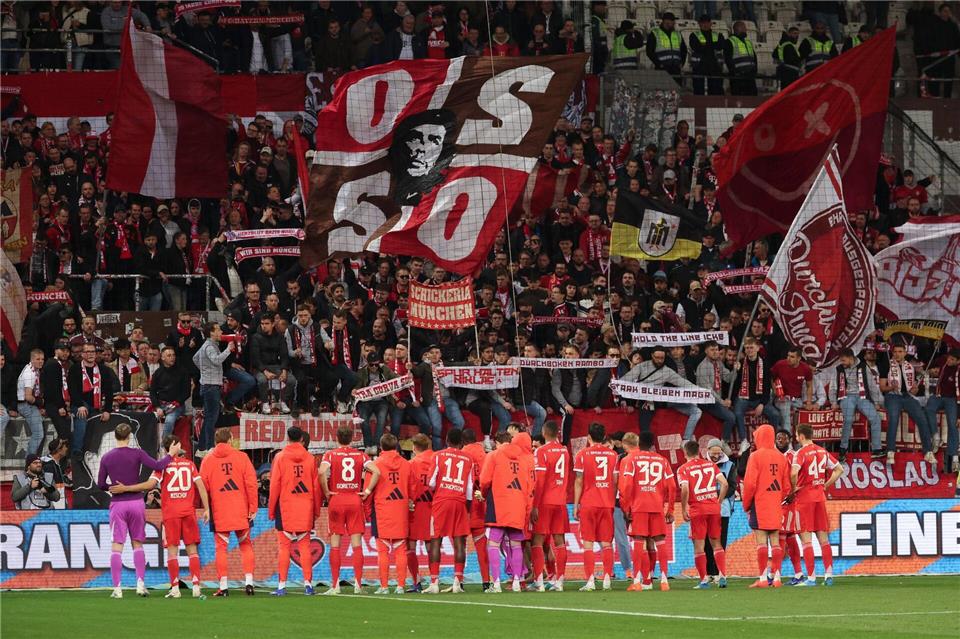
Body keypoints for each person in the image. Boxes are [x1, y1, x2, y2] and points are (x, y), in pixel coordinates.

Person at [111, 434, 208, 598]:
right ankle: (196, 586)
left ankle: (175, 589)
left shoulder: (162, 467)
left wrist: (126, 488)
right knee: (192, 550)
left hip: (171, 514)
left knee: (172, 552)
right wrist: (206, 508)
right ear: (175, 445)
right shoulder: (190, 465)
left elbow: (149, 485)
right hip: (188, 512)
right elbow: (201, 486)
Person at [98, 423, 179, 598]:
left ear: (115, 436)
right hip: (136, 502)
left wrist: (113, 487)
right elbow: (158, 466)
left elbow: (100, 484)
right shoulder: (137, 453)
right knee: (138, 544)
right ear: (129, 436)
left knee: (117, 546)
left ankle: (117, 589)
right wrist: (171, 455)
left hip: (118, 504)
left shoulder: (106, 457)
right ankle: (140, 584)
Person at [320, 425, 380, 595]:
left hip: (337, 499)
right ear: (352, 438)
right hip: (355, 499)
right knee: (356, 544)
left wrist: (326, 492)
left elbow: (321, 472)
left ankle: (335, 586)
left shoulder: (330, 455)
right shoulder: (361, 455)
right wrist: (367, 491)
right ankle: (358, 585)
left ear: (337, 438)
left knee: (335, 545)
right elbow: (377, 471)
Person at [200, 427, 258, 597]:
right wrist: (253, 507)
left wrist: (206, 508)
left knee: (221, 548)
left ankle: (223, 586)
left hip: (220, 511)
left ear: (215, 442)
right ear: (231, 440)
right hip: (241, 510)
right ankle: (249, 583)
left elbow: (203, 487)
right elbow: (251, 484)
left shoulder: (208, 460)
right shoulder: (242, 457)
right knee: (246, 545)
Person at [269, 426, 322, 597]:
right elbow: (316, 486)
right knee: (305, 546)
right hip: (305, 506)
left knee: (284, 547)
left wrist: (271, 510)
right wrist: (316, 509)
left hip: (285, 507)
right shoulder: (310, 458)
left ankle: (282, 586)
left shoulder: (280, 457)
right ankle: (308, 584)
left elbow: (275, 484)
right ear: (301, 440)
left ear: (288, 438)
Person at [479, 428, 534, 594]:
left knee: (493, 543)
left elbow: (484, 480)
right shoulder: (523, 459)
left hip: (499, 503)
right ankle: (518, 581)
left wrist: (483, 494)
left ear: (496, 442)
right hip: (518, 504)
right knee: (517, 545)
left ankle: (496, 584)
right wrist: (527, 508)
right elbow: (529, 485)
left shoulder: (493, 455)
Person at [619, 431, 674, 592]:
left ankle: (637, 581)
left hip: (639, 506)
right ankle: (664, 580)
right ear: (652, 444)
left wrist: (626, 506)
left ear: (639, 443)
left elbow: (626, 486)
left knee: (639, 541)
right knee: (660, 542)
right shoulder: (662, 460)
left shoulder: (631, 459)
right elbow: (671, 486)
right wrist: (670, 508)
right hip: (657, 505)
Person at [790, 424, 844, 587]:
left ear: (800, 436)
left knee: (806, 540)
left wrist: (793, 489)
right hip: (820, 497)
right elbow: (840, 469)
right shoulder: (822, 451)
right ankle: (828, 576)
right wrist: (825, 485)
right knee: (823, 539)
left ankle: (811, 578)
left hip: (805, 498)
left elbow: (793, 473)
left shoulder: (800, 453)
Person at [741, 424, 790, 588]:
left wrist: (746, 504)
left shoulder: (755, 456)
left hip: (759, 503)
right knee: (775, 542)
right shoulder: (781, 457)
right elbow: (787, 487)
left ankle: (762, 578)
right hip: (775, 504)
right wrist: (777, 498)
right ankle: (776, 578)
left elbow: (750, 484)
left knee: (761, 543)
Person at [425, 428, 474, 594]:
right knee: (460, 542)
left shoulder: (438, 456)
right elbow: (469, 488)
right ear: (461, 442)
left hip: (441, 501)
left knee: (435, 541)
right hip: (460, 502)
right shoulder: (468, 458)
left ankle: (434, 583)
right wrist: (466, 507)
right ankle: (457, 583)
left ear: (446, 440)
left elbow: (431, 483)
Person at [573, 422, 619, 592]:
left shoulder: (582, 454)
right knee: (607, 542)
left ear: (589, 437)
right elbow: (615, 481)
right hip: (607, 503)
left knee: (588, 543)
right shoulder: (613, 455)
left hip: (589, 503)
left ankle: (590, 580)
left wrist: (576, 504)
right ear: (604, 436)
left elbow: (578, 480)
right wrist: (610, 497)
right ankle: (607, 579)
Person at [677, 440, 729, 589]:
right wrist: (718, 501)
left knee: (699, 546)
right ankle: (722, 576)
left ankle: (704, 580)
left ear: (685, 452)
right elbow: (725, 484)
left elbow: (685, 489)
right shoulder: (710, 465)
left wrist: (683, 509)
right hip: (713, 509)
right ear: (699, 451)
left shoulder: (683, 469)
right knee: (716, 543)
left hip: (697, 510)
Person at [371, 433, 413, 594]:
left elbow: (370, 487)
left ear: (381, 447)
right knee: (400, 549)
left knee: (382, 550)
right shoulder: (406, 464)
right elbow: (412, 487)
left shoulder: (376, 464)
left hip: (382, 509)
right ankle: (401, 586)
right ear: (396, 446)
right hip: (400, 508)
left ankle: (384, 586)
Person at [531, 420, 570, 591]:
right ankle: (559, 581)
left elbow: (540, 481)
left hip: (545, 501)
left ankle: (539, 582)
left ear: (544, 432)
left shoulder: (541, 451)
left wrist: (535, 505)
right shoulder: (565, 451)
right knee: (559, 540)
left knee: (537, 540)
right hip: (560, 501)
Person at [882, 343, 935, 465]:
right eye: (895, 351)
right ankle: (890, 451)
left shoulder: (910, 367)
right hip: (892, 396)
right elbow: (882, 388)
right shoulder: (887, 365)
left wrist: (914, 390)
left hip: (908, 397)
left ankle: (928, 452)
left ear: (905, 353)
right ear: (892, 353)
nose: (897, 354)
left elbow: (913, 388)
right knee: (893, 419)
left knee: (922, 419)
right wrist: (890, 387)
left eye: (900, 351)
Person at [828, 347, 884, 463]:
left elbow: (872, 385)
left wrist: (877, 402)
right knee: (848, 419)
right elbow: (833, 386)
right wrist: (833, 402)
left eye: (843, 360)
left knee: (876, 418)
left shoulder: (863, 367)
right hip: (846, 397)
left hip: (862, 397)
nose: (842, 363)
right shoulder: (838, 369)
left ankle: (876, 450)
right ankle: (843, 449)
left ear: (851, 358)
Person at [67, 343, 119, 459]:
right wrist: (80, 405)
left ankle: (95, 454)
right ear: (82, 354)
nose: (90, 354)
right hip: (79, 404)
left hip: (96, 405)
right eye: (87, 352)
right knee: (82, 417)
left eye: (93, 352)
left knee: (97, 427)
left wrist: (107, 410)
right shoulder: (74, 369)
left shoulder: (103, 369)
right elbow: (72, 390)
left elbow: (109, 391)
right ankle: (76, 451)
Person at [732, 337, 782, 453]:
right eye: (747, 348)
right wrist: (735, 371)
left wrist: (762, 404)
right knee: (737, 413)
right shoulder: (740, 363)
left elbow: (766, 386)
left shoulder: (764, 364)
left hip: (759, 398)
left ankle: (772, 441)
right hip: (744, 397)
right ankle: (744, 441)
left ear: (757, 348)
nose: (749, 350)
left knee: (775, 414)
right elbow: (735, 384)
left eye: (751, 347)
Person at [194, 322, 236, 455]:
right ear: (211, 332)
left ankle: (201, 448)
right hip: (211, 386)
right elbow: (217, 360)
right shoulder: (209, 346)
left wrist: (205, 370)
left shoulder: (207, 345)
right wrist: (228, 349)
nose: (221, 332)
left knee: (209, 418)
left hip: (209, 384)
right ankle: (208, 448)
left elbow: (195, 358)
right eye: (218, 330)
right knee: (212, 418)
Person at [461, 428, 491, 589]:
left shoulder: (462, 455)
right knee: (481, 545)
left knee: (460, 544)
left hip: (464, 506)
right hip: (480, 504)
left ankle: (458, 582)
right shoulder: (485, 455)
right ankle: (486, 582)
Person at [250, 312, 296, 414]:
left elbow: (284, 356)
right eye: (262, 323)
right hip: (260, 367)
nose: (264, 326)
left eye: (266, 324)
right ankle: (265, 403)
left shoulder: (279, 337)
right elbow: (255, 359)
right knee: (262, 380)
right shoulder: (255, 338)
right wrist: (265, 372)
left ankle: (282, 401)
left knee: (292, 380)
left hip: (276, 366)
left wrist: (284, 370)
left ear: (273, 324)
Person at [407, 434, 435, 592]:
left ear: (414, 447)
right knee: (431, 545)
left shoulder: (411, 464)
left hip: (415, 508)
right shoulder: (437, 460)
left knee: (410, 545)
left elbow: (408, 485)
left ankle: (416, 581)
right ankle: (433, 580)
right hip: (433, 507)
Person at [353, 351, 398, 448]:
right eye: (371, 364)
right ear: (367, 363)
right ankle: (368, 446)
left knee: (381, 421)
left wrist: (406, 378)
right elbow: (357, 386)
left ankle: (376, 446)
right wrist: (354, 390)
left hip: (381, 401)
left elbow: (396, 379)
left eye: (376, 364)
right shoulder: (361, 372)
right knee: (363, 422)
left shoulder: (385, 369)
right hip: (365, 402)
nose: (374, 367)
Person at [926, 349, 959, 474]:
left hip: (952, 400)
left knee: (953, 424)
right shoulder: (943, 360)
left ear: (958, 361)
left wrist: (959, 416)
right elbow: (928, 364)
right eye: (948, 358)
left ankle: (954, 456)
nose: (948, 361)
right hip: (938, 396)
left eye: (952, 360)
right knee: (929, 408)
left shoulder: (958, 371)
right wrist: (930, 370)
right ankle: (936, 436)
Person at [696, 340, 736, 439]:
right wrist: (722, 402)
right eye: (712, 350)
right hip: (706, 401)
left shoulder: (718, 363)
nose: (715, 352)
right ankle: (724, 442)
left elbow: (728, 378)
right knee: (731, 417)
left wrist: (735, 369)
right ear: (706, 351)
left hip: (716, 399)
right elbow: (708, 390)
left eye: (717, 349)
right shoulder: (703, 367)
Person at [149, 347, 191, 438]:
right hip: (160, 405)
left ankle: (164, 448)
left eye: (173, 355)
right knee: (147, 418)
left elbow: (187, 392)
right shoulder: (158, 373)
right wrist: (157, 407)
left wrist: (176, 403)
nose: (172, 357)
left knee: (169, 420)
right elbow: (152, 392)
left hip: (177, 406)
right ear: (162, 358)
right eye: (169, 355)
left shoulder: (183, 372)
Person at [771, 347, 816, 430]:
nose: (788, 358)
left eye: (792, 357)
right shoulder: (780, 365)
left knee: (810, 409)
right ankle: (787, 440)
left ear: (799, 358)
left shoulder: (805, 368)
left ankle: (801, 440)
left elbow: (809, 385)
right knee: (786, 409)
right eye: (788, 356)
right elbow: (771, 378)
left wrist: (809, 402)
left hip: (797, 400)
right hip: (782, 398)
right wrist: (775, 391)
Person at [40, 340, 73, 444]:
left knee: (65, 434)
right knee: (64, 435)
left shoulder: (57, 364)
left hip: (56, 404)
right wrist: (60, 406)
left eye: (67, 350)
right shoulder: (52, 365)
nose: (65, 353)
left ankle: (63, 459)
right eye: (62, 350)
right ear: (55, 351)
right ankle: (60, 459)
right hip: (53, 405)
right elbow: (52, 389)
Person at [16, 349, 46, 458]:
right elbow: (28, 397)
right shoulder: (30, 374)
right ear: (32, 359)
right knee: (38, 435)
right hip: (26, 405)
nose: (41, 361)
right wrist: (41, 403)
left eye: (42, 359)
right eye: (37, 359)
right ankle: (30, 464)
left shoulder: (33, 369)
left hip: (28, 405)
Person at [689, 15, 725, 95]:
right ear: (699, 24)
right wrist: (712, 45)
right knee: (698, 92)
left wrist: (704, 45)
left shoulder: (718, 35)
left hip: (715, 67)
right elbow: (696, 47)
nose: (705, 24)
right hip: (699, 66)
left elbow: (721, 46)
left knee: (716, 92)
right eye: (703, 22)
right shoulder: (694, 35)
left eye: (707, 22)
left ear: (710, 23)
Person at [645, 12, 686, 82]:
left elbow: (683, 50)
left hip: (676, 69)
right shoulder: (655, 33)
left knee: (677, 91)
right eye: (672, 20)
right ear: (665, 21)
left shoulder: (677, 34)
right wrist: (659, 64)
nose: (674, 22)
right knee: (663, 91)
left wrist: (681, 63)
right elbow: (649, 51)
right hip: (662, 69)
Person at [725, 20, 757, 96]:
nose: (745, 29)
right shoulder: (730, 41)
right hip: (737, 78)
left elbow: (754, 57)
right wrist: (734, 72)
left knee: (752, 98)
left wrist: (754, 70)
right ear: (737, 29)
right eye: (743, 27)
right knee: (738, 99)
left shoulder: (748, 42)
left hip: (750, 76)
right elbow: (728, 59)